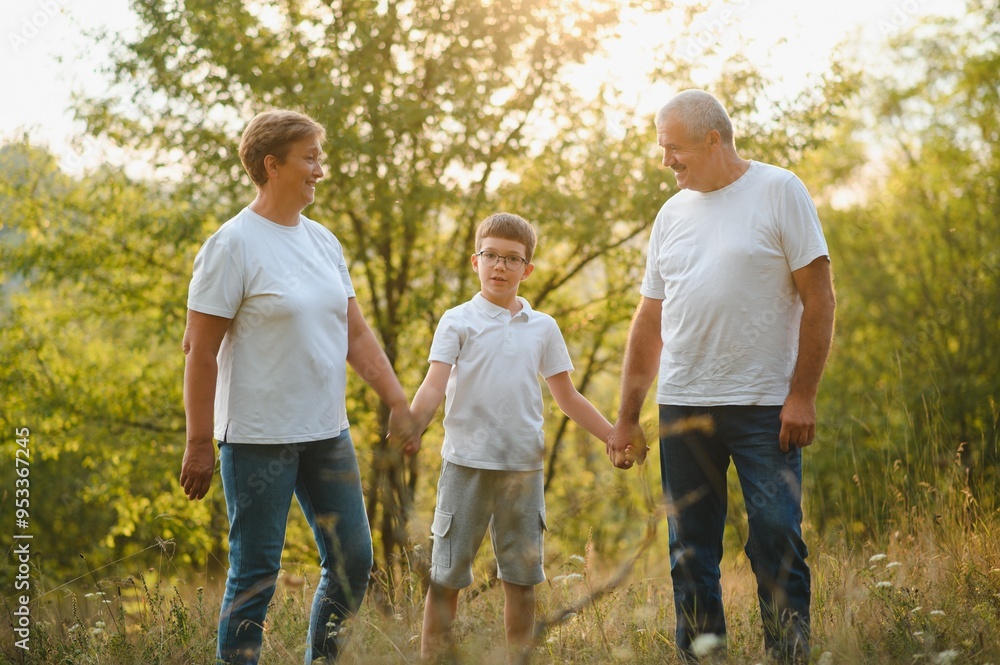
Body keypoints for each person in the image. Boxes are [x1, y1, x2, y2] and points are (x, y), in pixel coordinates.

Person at [178, 109, 419, 665]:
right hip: (258, 437)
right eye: (310, 157)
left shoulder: (324, 243)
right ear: (272, 164)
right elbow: (200, 352)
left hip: (326, 432)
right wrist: (197, 441)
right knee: (257, 574)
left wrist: (398, 400)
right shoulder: (231, 245)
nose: (320, 169)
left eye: (319, 157)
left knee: (353, 560)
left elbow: (355, 333)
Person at [608, 90, 836, 663]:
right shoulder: (671, 214)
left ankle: (787, 655)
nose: (666, 161)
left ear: (714, 140)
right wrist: (627, 415)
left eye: (673, 148)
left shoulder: (780, 190)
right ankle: (703, 657)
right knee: (690, 552)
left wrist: (802, 394)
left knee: (777, 535)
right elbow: (649, 319)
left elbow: (820, 296)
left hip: (765, 407)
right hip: (684, 405)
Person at [405, 213, 620, 663]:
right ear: (475, 261)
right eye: (491, 256)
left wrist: (613, 435)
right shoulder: (457, 321)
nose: (499, 267)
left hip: (523, 470)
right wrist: (411, 425)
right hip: (465, 464)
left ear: (527, 269)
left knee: (522, 581)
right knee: (446, 578)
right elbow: (432, 384)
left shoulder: (543, 328)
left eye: (511, 259)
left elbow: (567, 396)